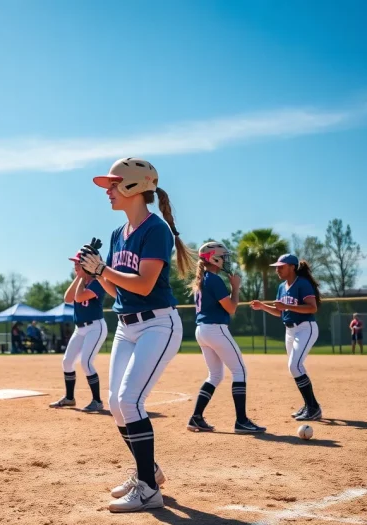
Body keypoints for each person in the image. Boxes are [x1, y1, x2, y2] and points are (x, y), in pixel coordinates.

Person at [78, 158, 189, 513]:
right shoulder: (117, 234)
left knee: (130, 402)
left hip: (159, 324)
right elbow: (119, 292)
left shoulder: (155, 229)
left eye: (113, 185)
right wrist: (93, 273)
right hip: (126, 326)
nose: (108, 191)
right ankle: (148, 472)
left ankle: (147, 490)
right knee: (116, 404)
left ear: (133, 186)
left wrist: (103, 268)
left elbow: (143, 284)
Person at [187, 242, 265, 434]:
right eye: (223, 257)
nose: (225, 260)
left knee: (215, 375)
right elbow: (231, 308)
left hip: (202, 330)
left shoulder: (204, 279)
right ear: (213, 258)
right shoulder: (213, 279)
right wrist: (235, 288)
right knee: (240, 371)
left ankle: (196, 417)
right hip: (215, 329)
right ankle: (241, 421)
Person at [251, 254, 322, 421]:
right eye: (276, 266)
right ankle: (309, 405)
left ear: (292, 267)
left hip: (306, 328)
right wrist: (263, 307)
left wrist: (286, 306)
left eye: (281, 266)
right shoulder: (282, 287)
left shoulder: (302, 284)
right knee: (295, 367)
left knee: (294, 366)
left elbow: (312, 308)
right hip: (289, 331)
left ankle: (313, 407)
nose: (277, 269)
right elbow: (280, 312)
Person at [49, 251, 108, 411]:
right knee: (67, 362)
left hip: (95, 327)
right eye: (75, 263)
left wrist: (83, 277)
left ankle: (97, 401)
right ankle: (69, 398)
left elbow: (80, 297)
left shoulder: (97, 282)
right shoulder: (81, 280)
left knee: (86, 362)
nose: (75, 266)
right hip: (80, 328)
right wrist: (80, 276)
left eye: (78, 263)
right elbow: (68, 298)